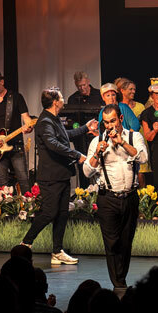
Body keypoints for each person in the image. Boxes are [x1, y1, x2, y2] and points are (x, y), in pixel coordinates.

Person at [21, 87, 98, 264]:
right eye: (62, 97)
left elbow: (65, 136)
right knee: (49, 212)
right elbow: (53, 144)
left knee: (62, 213)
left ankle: (57, 251)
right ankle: (25, 243)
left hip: (61, 174)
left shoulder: (53, 119)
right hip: (50, 176)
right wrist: (77, 155)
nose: (64, 100)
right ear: (55, 102)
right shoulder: (45, 121)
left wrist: (86, 128)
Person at [84, 104, 148, 290]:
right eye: (106, 123)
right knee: (112, 244)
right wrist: (97, 153)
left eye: (112, 121)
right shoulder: (97, 142)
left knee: (126, 243)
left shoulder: (133, 137)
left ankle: (121, 279)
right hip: (107, 198)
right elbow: (87, 171)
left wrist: (122, 143)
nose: (109, 126)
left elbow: (143, 157)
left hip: (129, 197)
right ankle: (119, 284)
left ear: (120, 119)